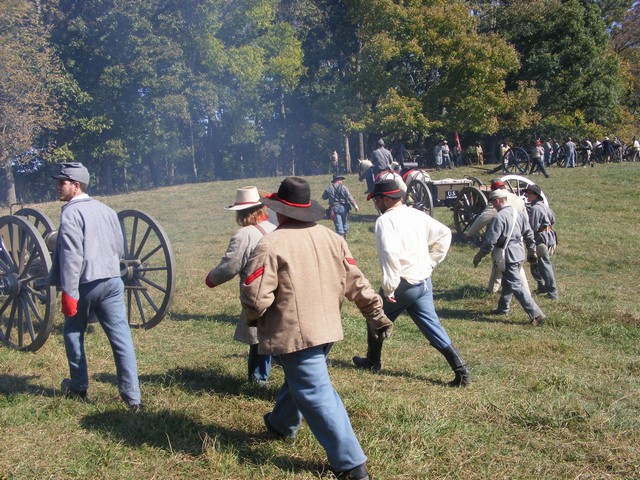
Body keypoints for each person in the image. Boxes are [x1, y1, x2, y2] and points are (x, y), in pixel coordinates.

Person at [240, 176, 393, 480]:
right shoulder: (332, 238)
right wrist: (375, 313)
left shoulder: (270, 244)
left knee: (315, 392)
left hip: (295, 332)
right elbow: (356, 281)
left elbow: (255, 296)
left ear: (280, 210)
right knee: (300, 378)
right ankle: (281, 424)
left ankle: (351, 465)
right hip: (327, 328)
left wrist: (254, 317)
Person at [352, 179, 472, 387]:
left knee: (375, 317)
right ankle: (462, 372)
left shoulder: (385, 221)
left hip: (402, 284)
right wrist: (431, 261)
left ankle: (372, 362)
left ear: (386, 199)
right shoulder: (417, 214)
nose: (376, 204)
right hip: (423, 282)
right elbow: (444, 233)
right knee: (432, 326)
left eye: (377, 200)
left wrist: (389, 288)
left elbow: (389, 254)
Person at [47, 162, 142, 410]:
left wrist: (69, 293)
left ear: (76, 185)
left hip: (86, 283)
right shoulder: (106, 210)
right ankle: (133, 398)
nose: (58, 186)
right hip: (112, 280)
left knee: (73, 332)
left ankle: (79, 386)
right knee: (121, 338)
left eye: (63, 182)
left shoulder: (70, 213)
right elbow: (119, 246)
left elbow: (71, 255)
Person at [205, 186, 277, 386]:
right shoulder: (275, 229)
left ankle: (258, 380)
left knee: (258, 336)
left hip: (258, 292)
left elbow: (230, 266)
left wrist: (211, 279)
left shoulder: (244, 235)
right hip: (280, 289)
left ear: (241, 213)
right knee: (276, 332)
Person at [473, 189, 546, 326]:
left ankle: (536, 314)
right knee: (508, 282)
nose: (493, 206)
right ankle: (503, 308)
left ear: (497, 201)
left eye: (493, 203)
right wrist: (531, 250)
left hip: (507, 255)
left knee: (515, 285)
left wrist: (479, 255)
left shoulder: (499, 217)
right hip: (519, 253)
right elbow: (528, 233)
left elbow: (490, 241)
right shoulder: (518, 213)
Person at [463, 179, 530, 294]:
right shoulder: (518, 199)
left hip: (502, 239)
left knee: (498, 264)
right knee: (517, 267)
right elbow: (526, 220)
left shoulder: (497, 200)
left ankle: (495, 290)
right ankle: (523, 292)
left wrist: (470, 233)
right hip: (517, 239)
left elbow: (484, 217)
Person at [524, 185, 558, 300]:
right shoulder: (544, 206)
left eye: (529, 193)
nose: (527, 195)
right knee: (536, 264)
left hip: (540, 238)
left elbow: (533, 227)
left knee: (544, 265)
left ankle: (553, 293)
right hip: (548, 236)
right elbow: (553, 219)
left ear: (535, 195)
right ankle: (542, 286)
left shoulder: (535, 208)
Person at [322, 175, 359, 239]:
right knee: (345, 222)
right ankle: (345, 236)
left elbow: (324, 197)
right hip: (344, 208)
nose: (342, 181)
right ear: (338, 180)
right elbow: (350, 197)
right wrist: (355, 206)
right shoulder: (344, 187)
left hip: (335, 208)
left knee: (338, 223)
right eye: (341, 180)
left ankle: (341, 237)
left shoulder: (329, 188)